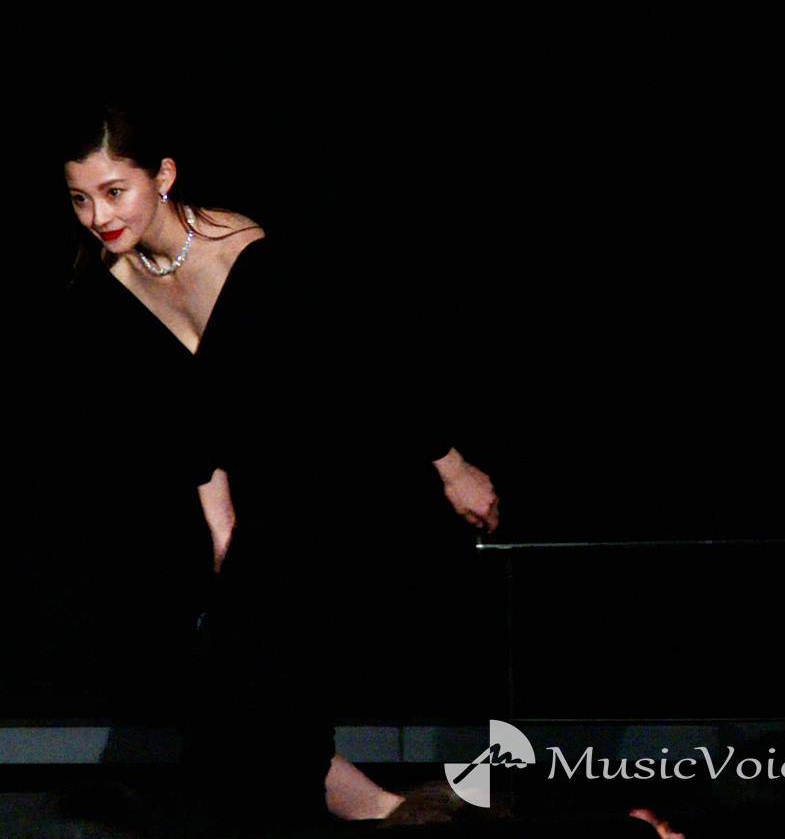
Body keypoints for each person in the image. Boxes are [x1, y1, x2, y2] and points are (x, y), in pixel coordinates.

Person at [56, 99, 500, 830]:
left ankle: (392, 811)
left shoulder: (246, 251)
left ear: (163, 176)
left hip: (335, 483)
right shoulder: (112, 286)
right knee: (242, 708)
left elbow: (362, 365)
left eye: (113, 191)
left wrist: (450, 465)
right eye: (80, 198)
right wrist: (222, 529)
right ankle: (399, 814)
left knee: (257, 704)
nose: (98, 216)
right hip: (259, 510)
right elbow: (184, 428)